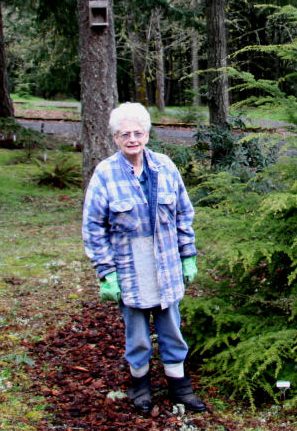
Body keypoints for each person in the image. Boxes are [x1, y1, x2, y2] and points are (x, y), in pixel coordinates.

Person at [82, 102, 206, 414]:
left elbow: (183, 215)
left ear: (147, 135)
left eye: (138, 133)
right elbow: (93, 227)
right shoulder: (104, 175)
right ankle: (140, 385)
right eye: (125, 134)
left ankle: (179, 388)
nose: (132, 138)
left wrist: (187, 256)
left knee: (172, 330)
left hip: (166, 265)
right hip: (129, 270)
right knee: (137, 336)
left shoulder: (166, 167)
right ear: (115, 139)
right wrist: (106, 273)